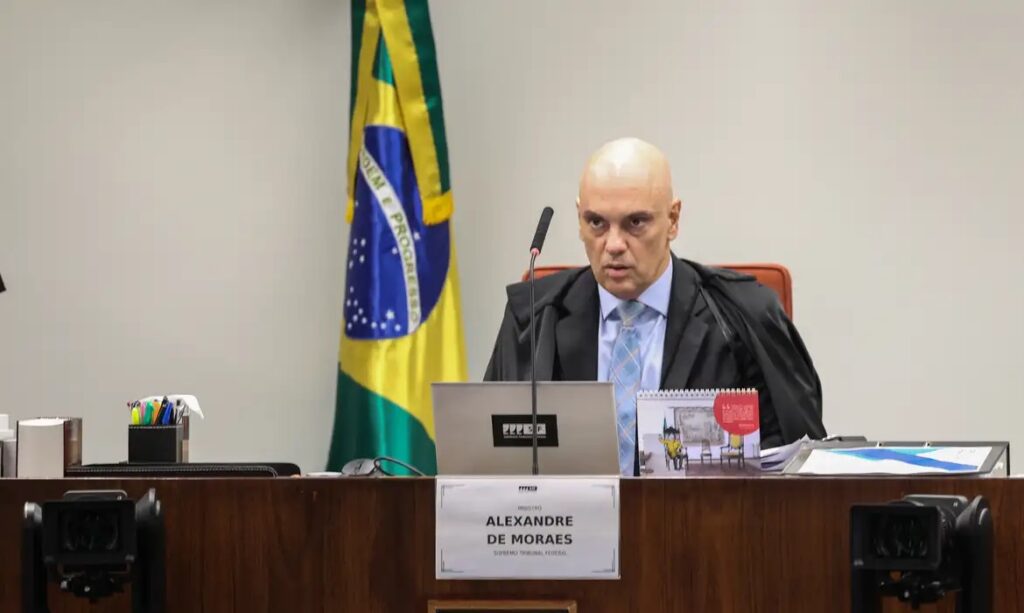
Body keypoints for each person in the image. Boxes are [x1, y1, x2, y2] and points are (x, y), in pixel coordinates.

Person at [484, 137, 826, 475]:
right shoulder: (534, 318)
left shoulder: (744, 316)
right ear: (579, 219)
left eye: (635, 222)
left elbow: (799, 460)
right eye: (597, 223)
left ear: (673, 220)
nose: (613, 244)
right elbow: (490, 456)